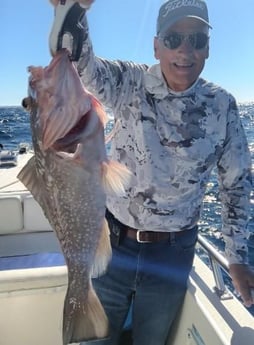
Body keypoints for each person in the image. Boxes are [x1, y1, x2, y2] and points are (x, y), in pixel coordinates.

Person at [50, 1, 254, 344]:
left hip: (173, 254)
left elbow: (234, 186)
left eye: (197, 39)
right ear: (156, 46)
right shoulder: (128, 81)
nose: (185, 50)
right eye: (174, 39)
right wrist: (72, 11)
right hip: (111, 247)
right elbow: (75, 60)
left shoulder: (223, 106)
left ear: (208, 46)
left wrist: (238, 258)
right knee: (92, 339)